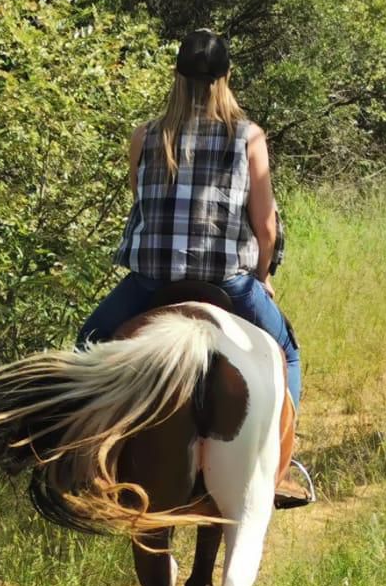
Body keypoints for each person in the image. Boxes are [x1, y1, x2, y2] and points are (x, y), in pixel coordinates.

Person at [80, 29, 304, 412]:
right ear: (227, 77)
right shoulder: (248, 138)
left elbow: (144, 204)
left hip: (152, 283)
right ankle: (287, 453)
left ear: (176, 77)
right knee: (288, 352)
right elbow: (266, 228)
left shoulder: (145, 136)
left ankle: (68, 458)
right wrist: (262, 277)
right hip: (228, 284)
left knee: (87, 341)